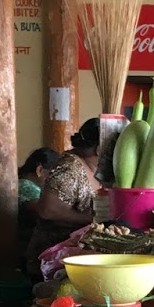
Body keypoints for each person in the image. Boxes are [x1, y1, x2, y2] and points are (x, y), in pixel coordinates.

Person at [25, 118, 102, 275]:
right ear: (100, 149)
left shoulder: (94, 169)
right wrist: (92, 220)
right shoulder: (70, 167)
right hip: (53, 259)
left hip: (74, 256)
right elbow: (48, 210)